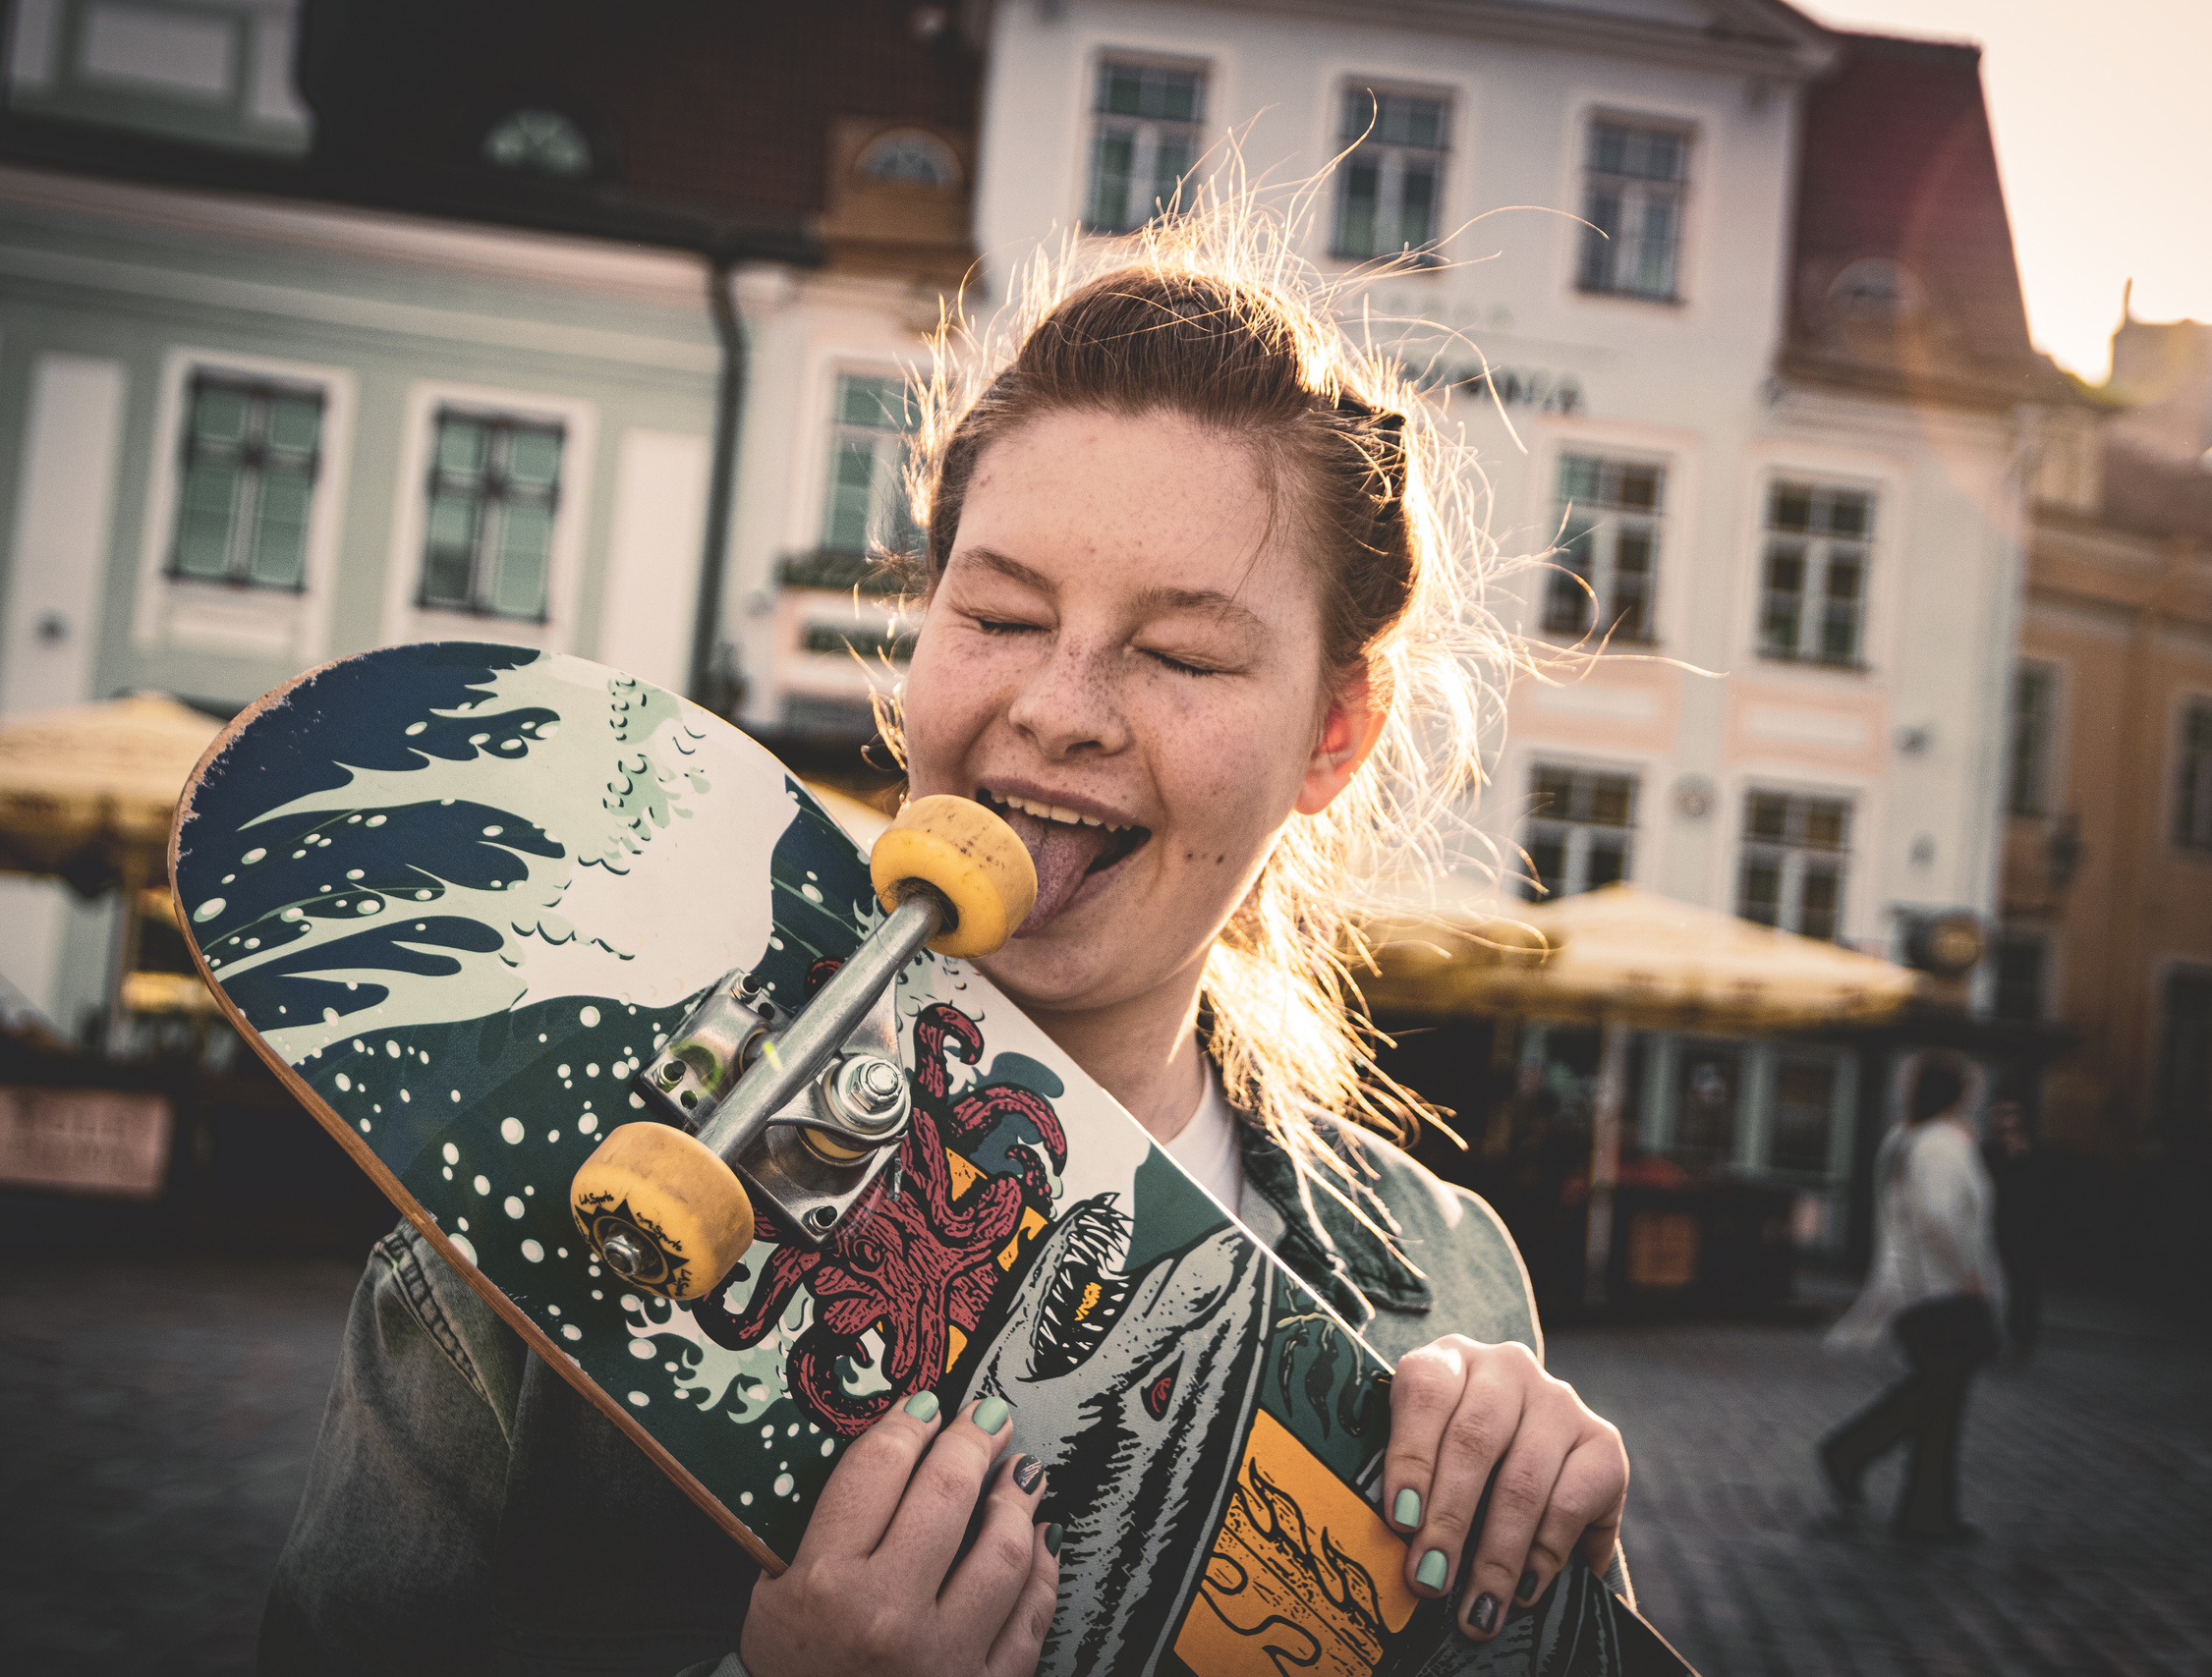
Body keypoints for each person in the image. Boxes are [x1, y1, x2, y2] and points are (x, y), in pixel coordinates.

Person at [259, 200, 1634, 1676]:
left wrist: (1541, 1613)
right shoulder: (560, 1197)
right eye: (997, 614)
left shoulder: (1444, 1281)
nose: (1057, 706)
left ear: (1335, 733)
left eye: (1180, 651)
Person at [1819, 1049, 2004, 1544]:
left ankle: (1925, 1511)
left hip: (1918, 1289)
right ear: (1958, 1093)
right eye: (1972, 1087)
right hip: (1942, 1293)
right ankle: (1852, 1456)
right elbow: (1938, 1217)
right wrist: (1970, 1276)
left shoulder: (1908, 1138)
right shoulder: (1940, 1143)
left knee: (1937, 1401)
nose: (1978, 1095)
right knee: (1937, 1399)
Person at [1980, 1098, 2046, 1358]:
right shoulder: (1987, 1153)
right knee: (1994, 1282)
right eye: (1998, 1115)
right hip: (1995, 1226)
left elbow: (2043, 1194)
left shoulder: (2034, 1154)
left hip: (2027, 1229)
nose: (2003, 1121)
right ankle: (1992, 1336)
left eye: (2009, 1114)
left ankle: (2023, 1335)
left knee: (2024, 1282)